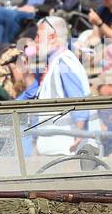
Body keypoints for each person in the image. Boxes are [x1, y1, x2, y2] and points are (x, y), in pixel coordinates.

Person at [32, 16, 91, 154]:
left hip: (66, 148)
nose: (35, 41)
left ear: (52, 37)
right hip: (58, 149)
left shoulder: (64, 62)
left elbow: (77, 100)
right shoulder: (57, 62)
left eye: (38, 36)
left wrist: (79, 134)